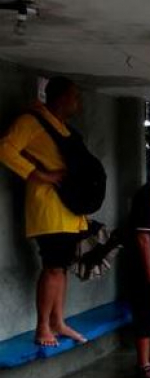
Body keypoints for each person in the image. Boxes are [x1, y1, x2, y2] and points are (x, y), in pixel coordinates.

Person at [0, 77, 88, 346]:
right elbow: (5, 149)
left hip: (69, 209)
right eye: (74, 96)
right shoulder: (31, 122)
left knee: (62, 268)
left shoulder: (61, 127)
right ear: (60, 98)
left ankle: (58, 321)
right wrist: (38, 175)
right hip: (48, 207)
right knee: (51, 268)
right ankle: (42, 326)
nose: (77, 102)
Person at [127, 162, 150, 378]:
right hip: (147, 267)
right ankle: (143, 363)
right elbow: (142, 237)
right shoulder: (148, 195)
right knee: (145, 313)